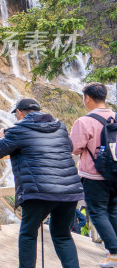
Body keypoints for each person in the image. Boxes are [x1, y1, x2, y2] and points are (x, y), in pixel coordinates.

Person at [0, 98, 84, 268]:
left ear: (19, 113)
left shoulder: (18, 129)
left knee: (28, 235)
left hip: (38, 191)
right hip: (69, 191)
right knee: (62, 236)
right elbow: (68, 147)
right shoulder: (59, 126)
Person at [70, 82, 117, 267]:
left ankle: (114, 253)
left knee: (97, 212)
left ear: (87, 98)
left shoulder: (84, 122)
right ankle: (112, 251)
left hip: (94, 177)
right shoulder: (115, 117)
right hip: (115, 174)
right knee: (113, 211)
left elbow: (74, 148)